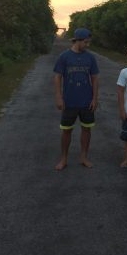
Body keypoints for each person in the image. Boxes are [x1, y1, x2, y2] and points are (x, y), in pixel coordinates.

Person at [53, 28, 99, 170]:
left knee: (86, 129)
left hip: (86, 101)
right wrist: (59, 97)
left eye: (88, 42)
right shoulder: (64, 57)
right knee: (66, 130)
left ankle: (84, 157)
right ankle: (64, 159)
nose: (87, 45)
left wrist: (94, 98)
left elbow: (95, 78)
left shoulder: (90, 57)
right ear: (77, 40)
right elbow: (57, 77)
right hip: (69, 101)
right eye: (86, 42)